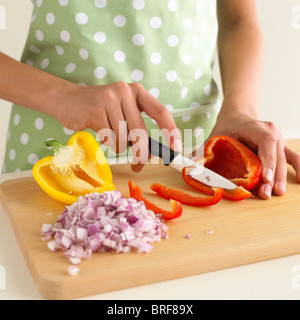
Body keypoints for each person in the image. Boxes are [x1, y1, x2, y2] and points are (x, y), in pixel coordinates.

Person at [0, 0, 299, 200]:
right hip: (53, 155)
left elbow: (237, 19)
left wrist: (240, 108)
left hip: (196, 154)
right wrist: (62, 96)